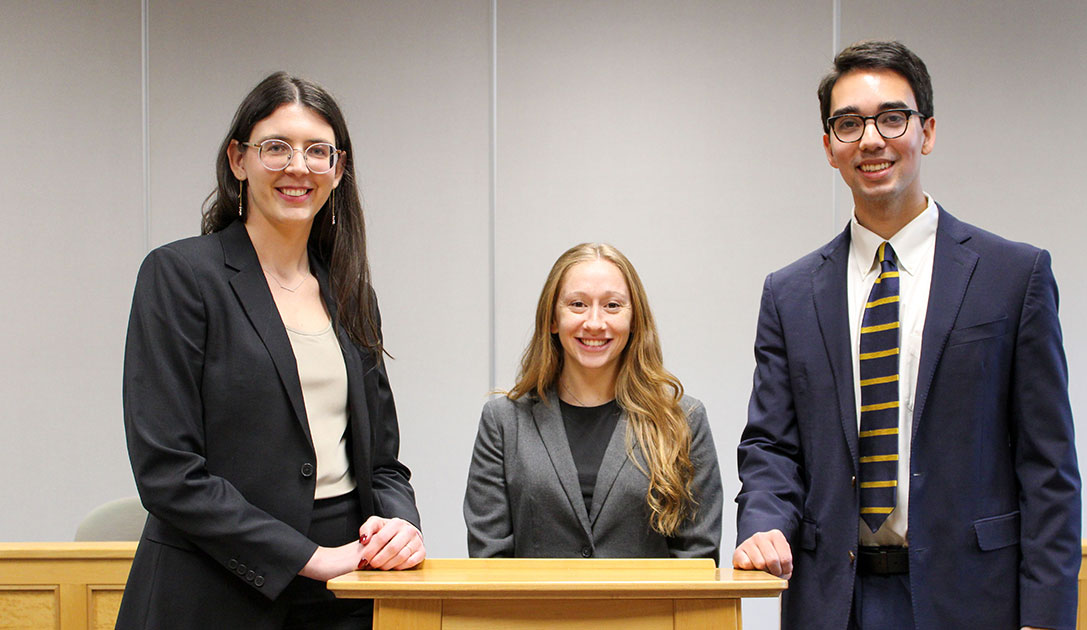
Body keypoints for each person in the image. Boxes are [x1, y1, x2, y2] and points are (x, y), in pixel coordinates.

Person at [733, 41, 1081, 630]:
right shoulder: (789, 294)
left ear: (928, 131)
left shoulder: (1013, 277)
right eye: (848, 124)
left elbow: (1048, 465)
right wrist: (763, 522)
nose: (871, 140)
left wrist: (1045, 617)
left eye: (892, 118)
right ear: (829, 147)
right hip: (832, 599)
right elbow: (772, 445)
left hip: (973, 599)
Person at [117, 72, 424, 630]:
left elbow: (382, 463)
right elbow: (168, 471)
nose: (297, 166)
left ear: (338, 168)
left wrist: (401, 525)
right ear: (238, 160)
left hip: (345, 589)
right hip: (215, 587)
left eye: (317, 151)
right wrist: (310, 558)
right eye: (275, 147)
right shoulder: (181, 275)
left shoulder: (351, 293)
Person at [464, 243, 722, 561]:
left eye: (612, 306)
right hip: (534, 613)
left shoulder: (683, 419)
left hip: (646, 612)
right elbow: (489, 557)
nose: (595, 322)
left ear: (634, 320)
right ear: (552, 319)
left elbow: (697, 559)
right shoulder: (503, 421)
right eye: (577, 304)